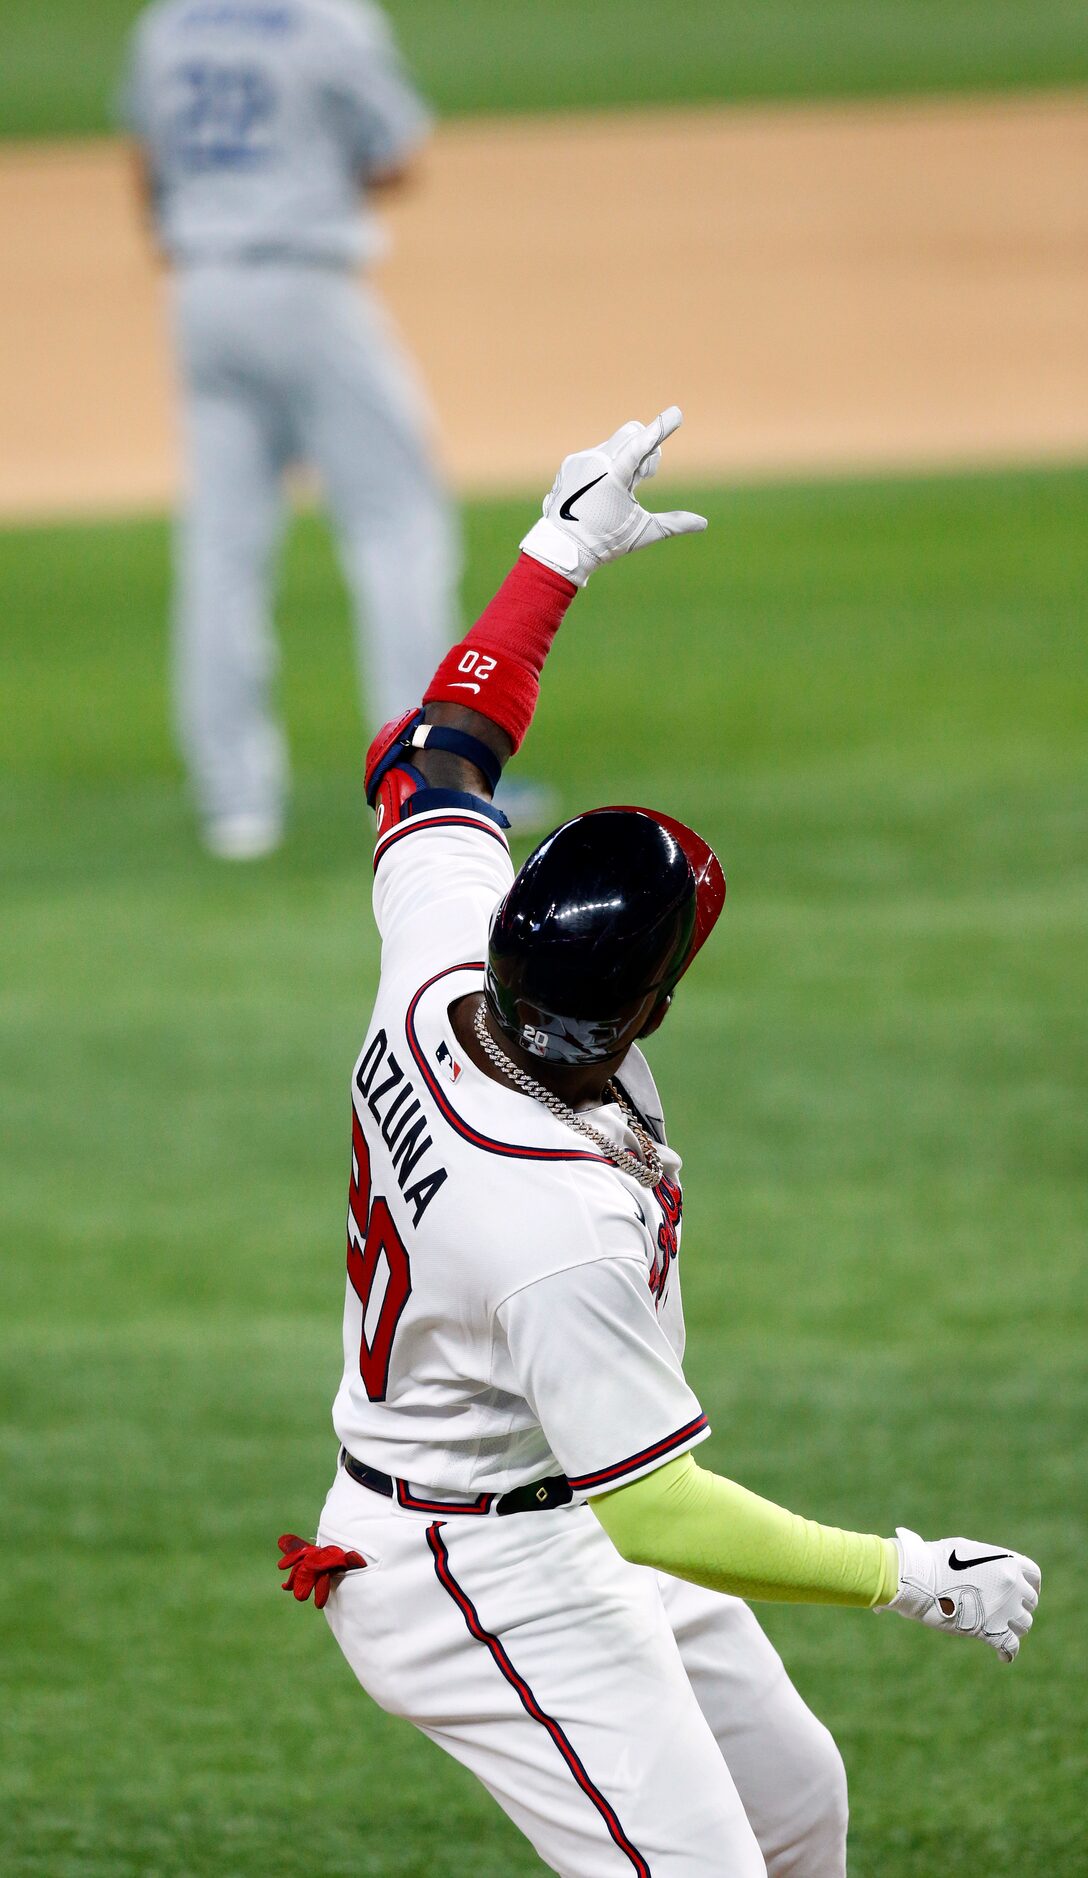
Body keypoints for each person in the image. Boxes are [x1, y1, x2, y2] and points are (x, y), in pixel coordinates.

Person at [277, 408, 1040, 1876]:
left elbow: (434, 746)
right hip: (469, 1563)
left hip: (544, 1488)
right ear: (646, 1011)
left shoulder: (445, 952)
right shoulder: (553, 1227)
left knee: (796, 1800)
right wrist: (909, 1577)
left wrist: (555, 550)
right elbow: (661, 1500)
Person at [119, 0, 458, 858]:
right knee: (399, 527)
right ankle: (427, 780)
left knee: (222, 550)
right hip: (308, 285)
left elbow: (146, 163)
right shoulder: (327, 20)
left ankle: (235, 804)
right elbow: (398, 155)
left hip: (200, 291)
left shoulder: (169, 24)